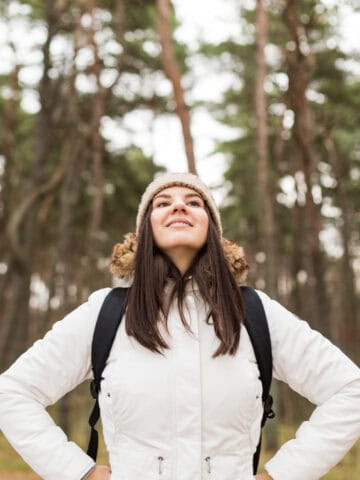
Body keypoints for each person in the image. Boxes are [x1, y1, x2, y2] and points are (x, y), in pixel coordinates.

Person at [0, 172, 359, 480]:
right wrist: (78, 471)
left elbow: (350, 391)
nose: (178, 206)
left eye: (194, 201)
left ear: (212, 229)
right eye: (162, 202)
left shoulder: (253, 311)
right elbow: (11, 393)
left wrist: (282, 474)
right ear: (145, 230)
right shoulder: (105, 313)